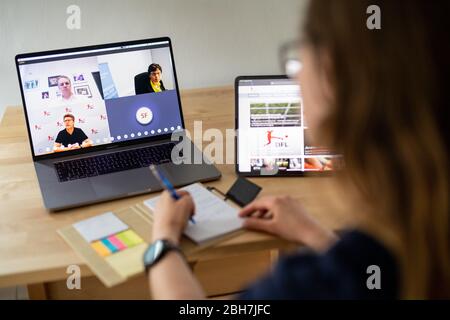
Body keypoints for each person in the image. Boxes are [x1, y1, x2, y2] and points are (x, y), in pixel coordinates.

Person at [144, 0, 449, 299]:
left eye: (301, 58)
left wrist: (164, 242)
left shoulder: (302, 286)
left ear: (335, 79)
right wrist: (315, 235)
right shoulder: (416, 246)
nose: (297, 75)